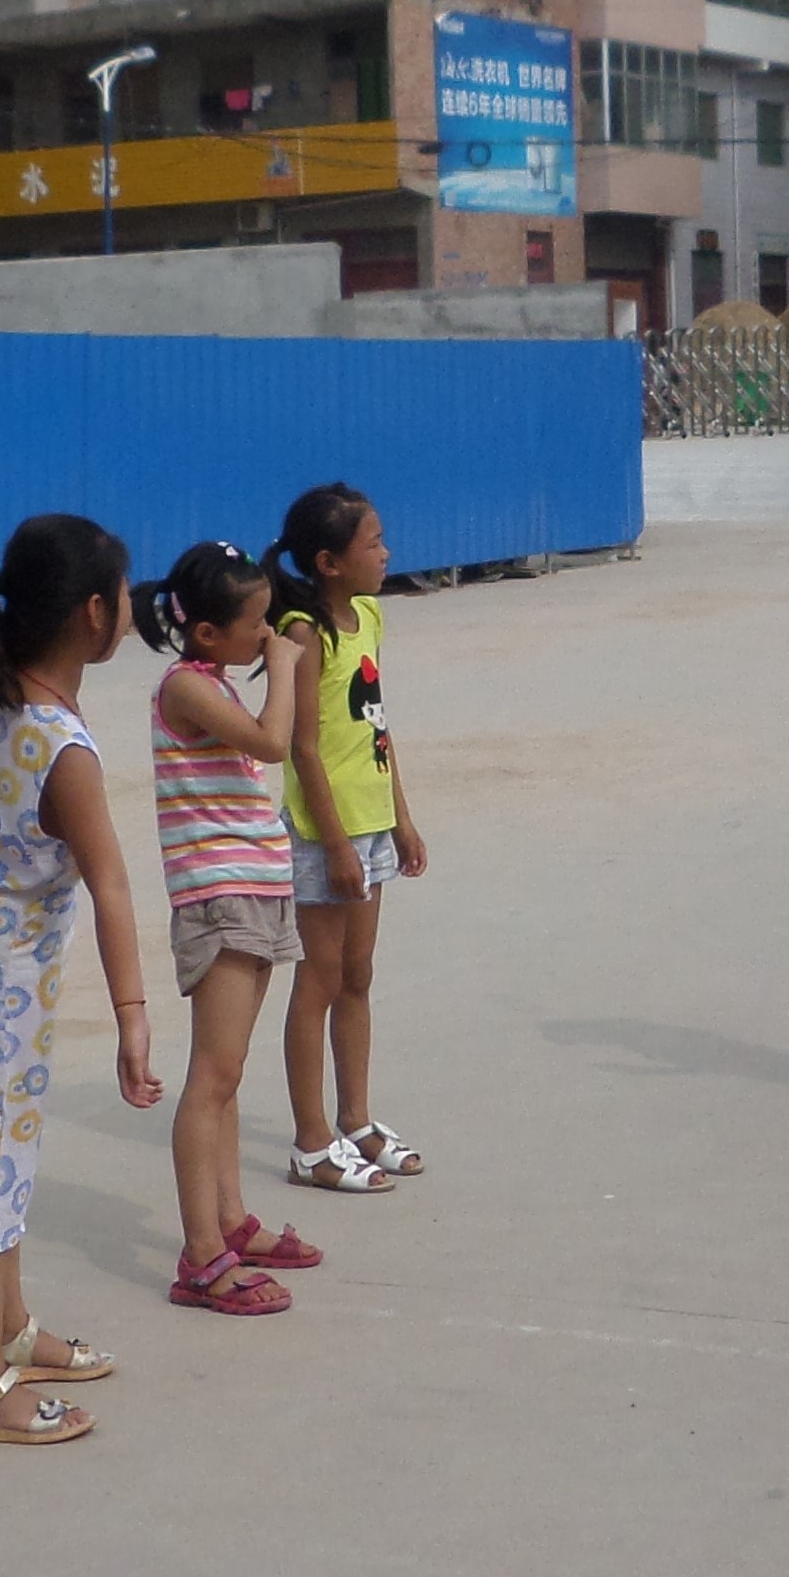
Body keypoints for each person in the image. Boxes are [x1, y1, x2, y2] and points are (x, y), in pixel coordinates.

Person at [0, 512, 156, 1442]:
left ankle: (9, 1330)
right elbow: (110, 882)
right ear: (94, 613)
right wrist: (133, 1015)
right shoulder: (62, 746)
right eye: (125, 595)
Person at [136, 539, 332, 1313]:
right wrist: (282, 669)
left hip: (255, 888)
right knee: (210, 1079)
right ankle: (202, 1257)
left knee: (230, 1072)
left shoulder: (213, 679)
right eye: (256, 624)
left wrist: (273, 663)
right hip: (219, 899)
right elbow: (273, 743)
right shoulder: (185, 686)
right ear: (207, 632)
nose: (267, 635)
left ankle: (231, 1219)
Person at [272, 483, 431, 1192]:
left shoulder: (368, 616)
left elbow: (376, 726)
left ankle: (356, 1120)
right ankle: (312, 1141)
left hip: (371, 823)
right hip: (324, 832)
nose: (386, 553)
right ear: (329, 562)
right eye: (373, 543)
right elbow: (303, 746)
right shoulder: (305, 634)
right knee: (320, 978)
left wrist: (400, 817)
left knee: (357, 974)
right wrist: (335, 843)